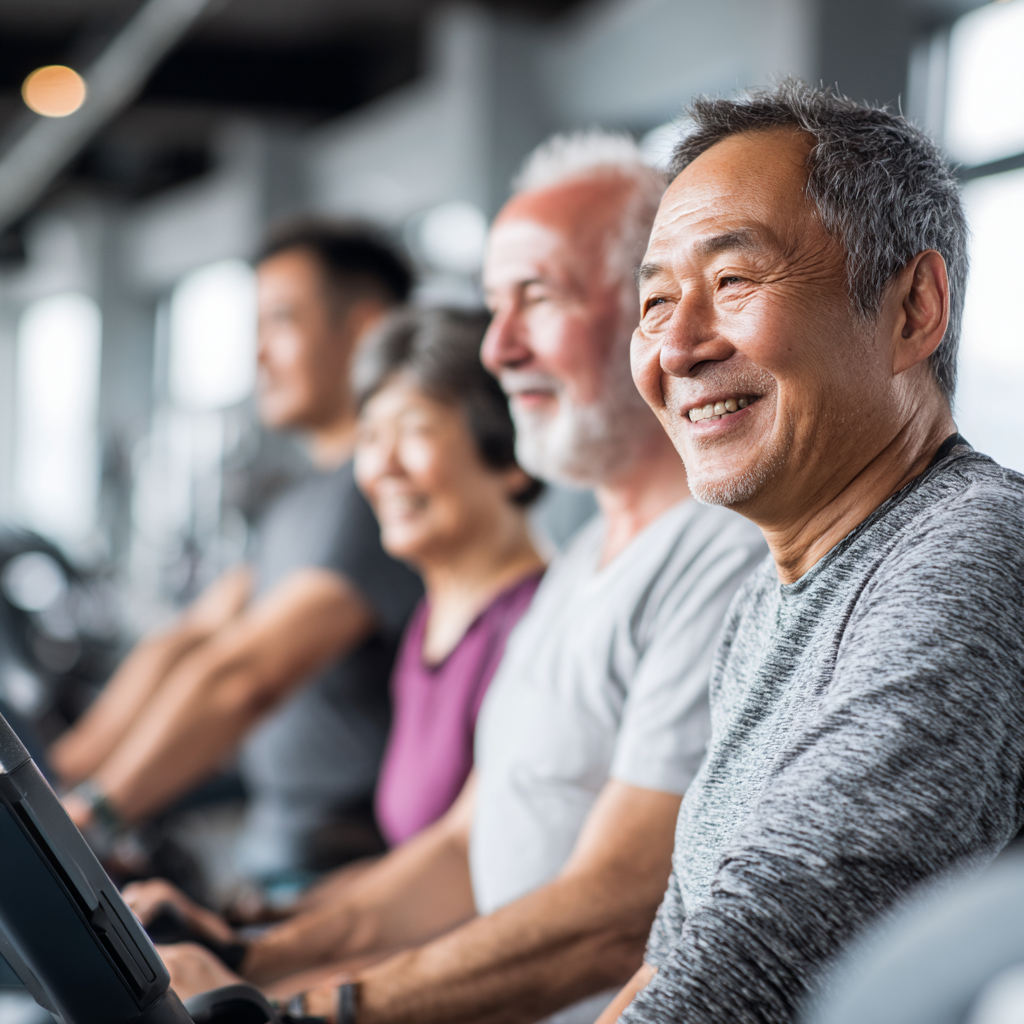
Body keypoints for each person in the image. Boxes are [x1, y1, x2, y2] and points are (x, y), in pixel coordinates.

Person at [139, 131, 768, 1024]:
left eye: (538, 299)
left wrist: (308, 1011)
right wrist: (252, 954)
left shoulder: (724, 557)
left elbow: (618, 915)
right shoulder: (582, 563)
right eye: (493, 306)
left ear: (653, 308)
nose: (500, 347)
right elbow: (459, 850)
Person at [597, 80, 1024, 1024]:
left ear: (913, 307)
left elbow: (772, 955)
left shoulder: (974, 551)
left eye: (733, 282)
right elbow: (683, 956)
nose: (677, 347)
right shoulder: (772, 597)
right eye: (657, 300)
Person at [52, 222, 424, 881]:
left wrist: (94, 817)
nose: (258, 356)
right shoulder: (301, 501)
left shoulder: (379, 494)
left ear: (367, 327)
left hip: (343, 867)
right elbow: (188, 643)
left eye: (281, 322)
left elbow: (245, 677)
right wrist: (64, 768)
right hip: (274, 844)